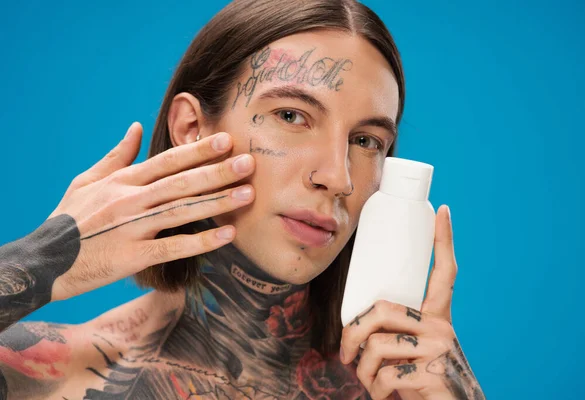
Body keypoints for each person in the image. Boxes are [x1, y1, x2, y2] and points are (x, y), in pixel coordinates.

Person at [0, 0, 485, 399]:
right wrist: (40, 261)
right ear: (192, 130)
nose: (338, 178)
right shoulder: (43, 375)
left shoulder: (410, 392)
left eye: (366, 141)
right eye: (292, 116)